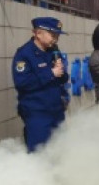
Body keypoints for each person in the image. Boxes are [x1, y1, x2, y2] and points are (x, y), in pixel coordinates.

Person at [12, 17, 69, 152]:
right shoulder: (24, 54)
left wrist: (61, 72)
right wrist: (51, 73)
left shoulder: (53, 51)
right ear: (38, 33)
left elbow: (62, 79)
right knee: (39, 153)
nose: (55, 39)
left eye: (57, 36)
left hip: (56, 111)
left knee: (59, 151)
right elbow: (22, 83)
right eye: (52, 35)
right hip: (37, 113)